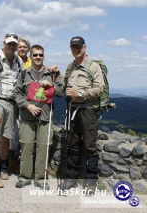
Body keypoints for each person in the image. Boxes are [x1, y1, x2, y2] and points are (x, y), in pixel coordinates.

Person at [14, 45, 63, 188]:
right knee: (27, 146)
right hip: (27, 116)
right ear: (30, 56)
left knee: (43, 147)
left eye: (40, 55)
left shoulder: (51, 74)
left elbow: (60, 92)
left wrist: (51, 85)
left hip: (45, 117)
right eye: (35, 55)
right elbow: (17, 93)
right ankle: (24, 177)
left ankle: (41, 179)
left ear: (44, 56)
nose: (38, 57)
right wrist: (28, 105)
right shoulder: (23, 74)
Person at [62, 36, 104, 194]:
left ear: (85, 47)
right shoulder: (70, 66)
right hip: (72, 109)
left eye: (79, 46)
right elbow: (64, 85)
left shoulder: (93, 66)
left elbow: (99, 88)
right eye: (73, 47)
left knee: (89, 146)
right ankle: (71, 180)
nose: (76, 49)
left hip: (87, 110)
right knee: (72, 144)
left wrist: (79, 93)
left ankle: (91, 183)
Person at [0, 33, 24, 188]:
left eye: (14, 44)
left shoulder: (18, 61)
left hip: (11, 103)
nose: (12, 46)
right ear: (3, 44)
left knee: (6, 137)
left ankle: (3, 167)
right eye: (9, 43)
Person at [7, 37, 32, 174]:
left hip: (28, 102)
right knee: (13, 130)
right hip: (12, 100)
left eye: (25, 46)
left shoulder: (32, 62)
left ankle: (24, 160)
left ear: (28, 49)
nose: (22, 49)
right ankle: (12, 161)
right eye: (20, 46)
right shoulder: (13, 61)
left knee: (25, 129)